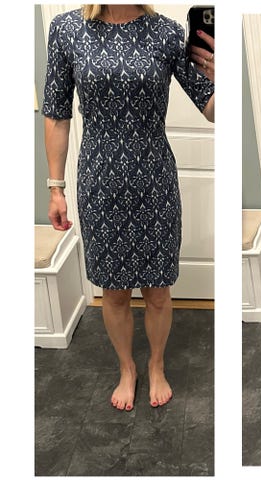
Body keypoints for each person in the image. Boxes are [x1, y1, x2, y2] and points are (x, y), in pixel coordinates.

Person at [42, 4, 214, 411]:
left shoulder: (166, 33)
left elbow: (211, 110)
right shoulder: (67, 29)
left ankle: (156, 364)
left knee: (158, 289)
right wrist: (55, 187)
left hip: (154, 176)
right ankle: (126, 367)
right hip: (100, 179)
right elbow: (56, 114)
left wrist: (218, 79)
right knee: (114, 290)